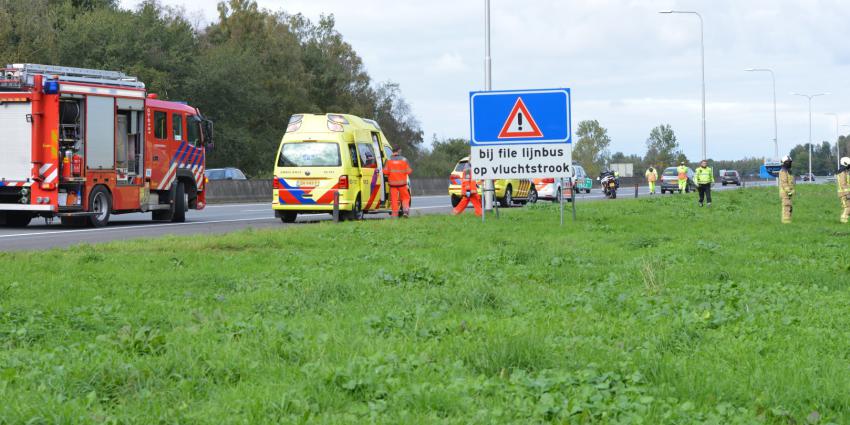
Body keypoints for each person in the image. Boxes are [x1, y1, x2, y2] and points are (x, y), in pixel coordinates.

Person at [384, 147, 412, 218]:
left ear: (393, 151)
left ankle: (394, 215)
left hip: (392, 184)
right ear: (399, 151)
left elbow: (385, 172)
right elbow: (409, 171)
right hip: (402, 184)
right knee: (405, 197)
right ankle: (405, 211)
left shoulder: (388, 160)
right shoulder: (404, 160)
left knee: (394, 200)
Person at [778, 155, 795, 224]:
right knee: (786, 207)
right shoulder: (783, 171)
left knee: (789, 207)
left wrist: (792, 191)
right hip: (785, 193)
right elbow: (784, 183)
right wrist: (789, 191)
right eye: (788, 162)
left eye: (790, 162)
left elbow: (791, 182)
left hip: (788, 193)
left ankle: (788, 221)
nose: (790, 163)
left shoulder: (787, 171)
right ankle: (786, 222)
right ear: (784, 163)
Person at [837, 157, 850, 223]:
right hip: (844, 193)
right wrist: (847, 194)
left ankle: (845, 218)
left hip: (845, 193)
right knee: (847, 207)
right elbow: (843, 184)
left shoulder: (844, 171)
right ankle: (843, 219)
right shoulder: (842, 172)